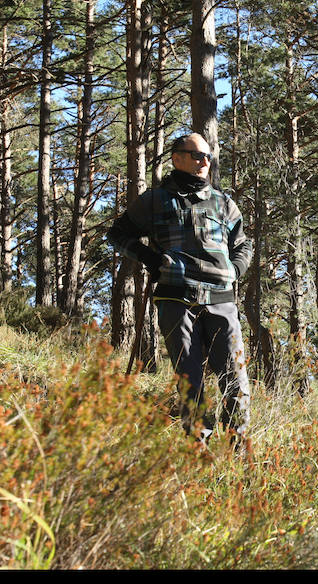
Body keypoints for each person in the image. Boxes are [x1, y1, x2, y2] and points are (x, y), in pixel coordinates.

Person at [107, 132, 253, 444]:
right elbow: (118, 233)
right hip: (177, 299)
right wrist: (149, 257)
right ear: (177, 158)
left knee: (235, 380)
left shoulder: (224, 203)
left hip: (222, 300)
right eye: (198, 155)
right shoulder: (155, 200)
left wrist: (234, 270)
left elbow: (243, 246)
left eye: (208, 156)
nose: (205, 162)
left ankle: (237, 452)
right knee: (190, 381)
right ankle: (196, 450)